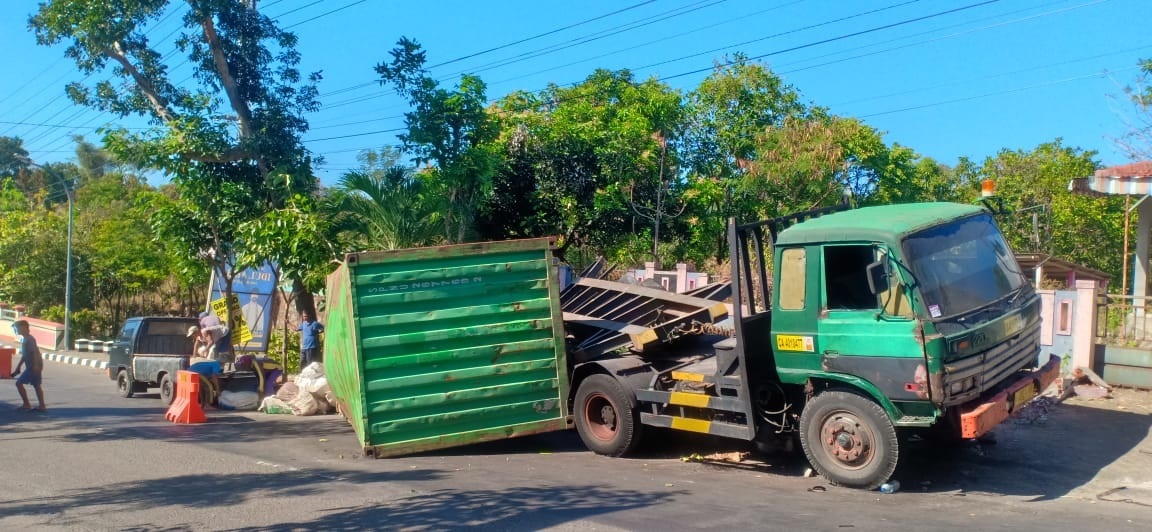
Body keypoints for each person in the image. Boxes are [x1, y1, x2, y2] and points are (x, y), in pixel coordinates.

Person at [12, 320, 46, 412]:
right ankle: (42, 405)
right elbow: (25, 355)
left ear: (24, 328)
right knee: (37, 385)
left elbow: (35, 352)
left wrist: (35, 366)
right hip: (33, 366)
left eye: (17, 328)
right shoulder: (25, 339)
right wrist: (18, 367)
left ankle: (26, 404)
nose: (16, 330)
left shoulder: (30, 339)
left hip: (33, 366)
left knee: (18, 383)